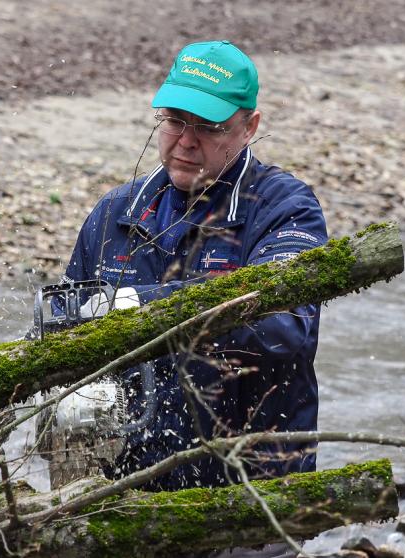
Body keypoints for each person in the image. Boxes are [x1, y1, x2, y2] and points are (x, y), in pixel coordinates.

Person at [63, 41, 327, 490]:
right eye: (174, 120)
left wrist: (138, 305)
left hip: (253, 494)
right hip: (123, 492)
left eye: (208, 127)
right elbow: (61, 330)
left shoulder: (285, 209)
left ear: (249, 127)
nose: (186, 141)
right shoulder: (116, 211)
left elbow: (283, 326)